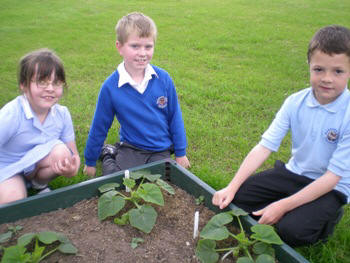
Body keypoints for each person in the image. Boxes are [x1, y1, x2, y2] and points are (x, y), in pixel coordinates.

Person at [212, 25, 350, 247]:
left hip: (331, 187)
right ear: (308, 66)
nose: (327, 78)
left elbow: (333, 177)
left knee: (290, 231)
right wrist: (232, 186)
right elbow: (264, 147)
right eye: (318, 69)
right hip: (294, 173)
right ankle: (290, 202)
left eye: (338, 71)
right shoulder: (295, 102)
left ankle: (326, 219)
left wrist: (282, 206)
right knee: (237, 200)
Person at [83, 12, 190, 177]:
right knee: (118, 181)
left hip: (159, 148)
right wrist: (90, 161)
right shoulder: (110, 87)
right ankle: (108, 154)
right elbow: (99, 126)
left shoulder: (164, 79)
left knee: (164, 179)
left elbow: (175, 116)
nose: (143, 53)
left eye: (148, 46)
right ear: (119, 47)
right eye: (135, 46)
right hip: (131, 147)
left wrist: (181, 153)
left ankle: (161, 167)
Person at [0, 48, 80, 205]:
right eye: (42, 82)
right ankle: (16, 186)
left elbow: (74, 154)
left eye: (56, 82)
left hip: (35, 165)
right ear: (23, 84)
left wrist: (72, 168)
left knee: (63, 153)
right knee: (13, 201)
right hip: (8, 168)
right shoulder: (12, 114)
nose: (50, 88)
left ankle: (39, 183)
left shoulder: (62, 114)